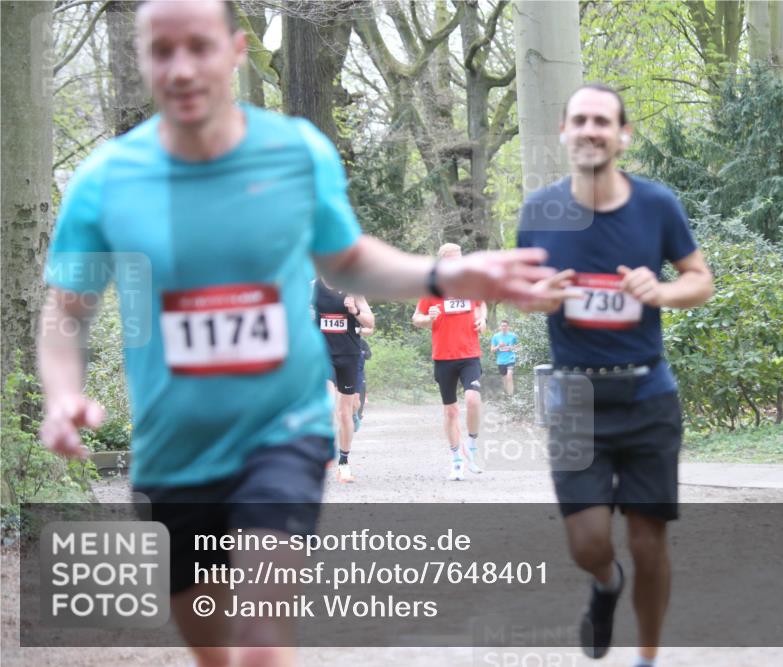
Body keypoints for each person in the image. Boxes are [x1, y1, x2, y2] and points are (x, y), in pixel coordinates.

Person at [36, 2, 557, 665]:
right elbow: (67, 312)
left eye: (198, 45)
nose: (181, 66)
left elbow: (346, 260)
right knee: (214, 647)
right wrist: (61, 394)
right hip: (170, 452)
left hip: (280, 428)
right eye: (160, 50)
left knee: (261, 637)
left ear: (235, 49)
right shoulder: (105, 183)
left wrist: (444, 276)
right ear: (141, 58)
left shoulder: (293, 153)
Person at [517, 83, 714, 667]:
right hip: (575, 396)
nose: (591, 129)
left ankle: (647, 658)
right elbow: (523, 292)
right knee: (589, 543)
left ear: (622, 134)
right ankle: (605, 583)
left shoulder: (657, 205)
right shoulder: (539, 211)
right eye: (580, 119)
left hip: (648, 391)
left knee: (649, 542)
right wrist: (539, 298)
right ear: (564, 131)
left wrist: (663, 291)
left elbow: (699, 278)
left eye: (603, 120)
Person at [412, 243, 488, 480]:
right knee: (451, 411)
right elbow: (416, 318)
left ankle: (472, 446)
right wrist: (428, 318)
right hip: (443, 357)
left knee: (473, 399)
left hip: (469, 354)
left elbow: (482, 304)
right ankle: (456, 458)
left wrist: (483, 319)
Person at [313, 278, 372, 482]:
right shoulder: (311, 288)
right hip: (322, 354)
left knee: (344, 413)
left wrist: (355, 310)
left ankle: (344, 463)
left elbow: (370, 321)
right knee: (328, 402)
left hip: (349, 355)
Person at [490, 319, 520, 396]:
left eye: (505, 326)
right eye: (502, 326)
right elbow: (492, 350)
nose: (504, 327)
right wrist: (498, 346)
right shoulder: (496, 337)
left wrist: (512, 348)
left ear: (508, 327)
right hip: (501, 361)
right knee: (505, 379)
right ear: (500, 327)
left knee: (509, 376)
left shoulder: (513, 336)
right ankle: (507, 395)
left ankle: (511, 396)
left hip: (510, 359)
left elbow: (518, 347)